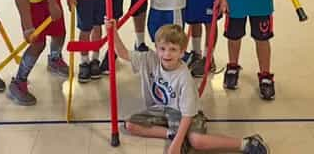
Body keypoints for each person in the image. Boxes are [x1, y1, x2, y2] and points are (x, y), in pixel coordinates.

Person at [108, 19, 270, 154]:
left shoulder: (184, 78)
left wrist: (177, 145)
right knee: (131, 125)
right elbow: (122, 53)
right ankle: (172, 133)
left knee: (197, 141)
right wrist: (113, 31)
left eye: (173, 50)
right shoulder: (148, 59)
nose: (166, 54)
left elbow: (187, 115)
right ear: (156, 48)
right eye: (162, 49)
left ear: (182, 52)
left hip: (185, 115)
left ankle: (246, 143)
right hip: (161, 110)